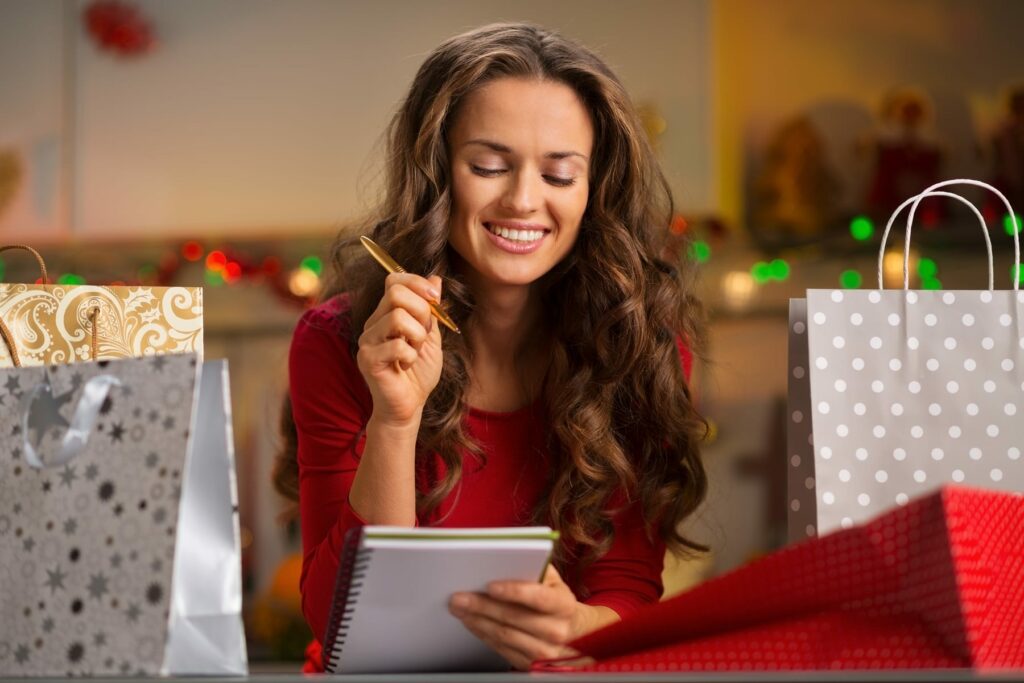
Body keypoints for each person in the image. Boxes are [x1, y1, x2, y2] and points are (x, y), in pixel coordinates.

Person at [273, 22, 708, 672]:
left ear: (594, 191)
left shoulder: (640, 346)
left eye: (561, 174)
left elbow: (626, 590)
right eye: (489, 166)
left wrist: (579, 627)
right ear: (437, 174)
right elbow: (339, 623)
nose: (524, 201)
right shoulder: (338, 341)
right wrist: (395, 419)